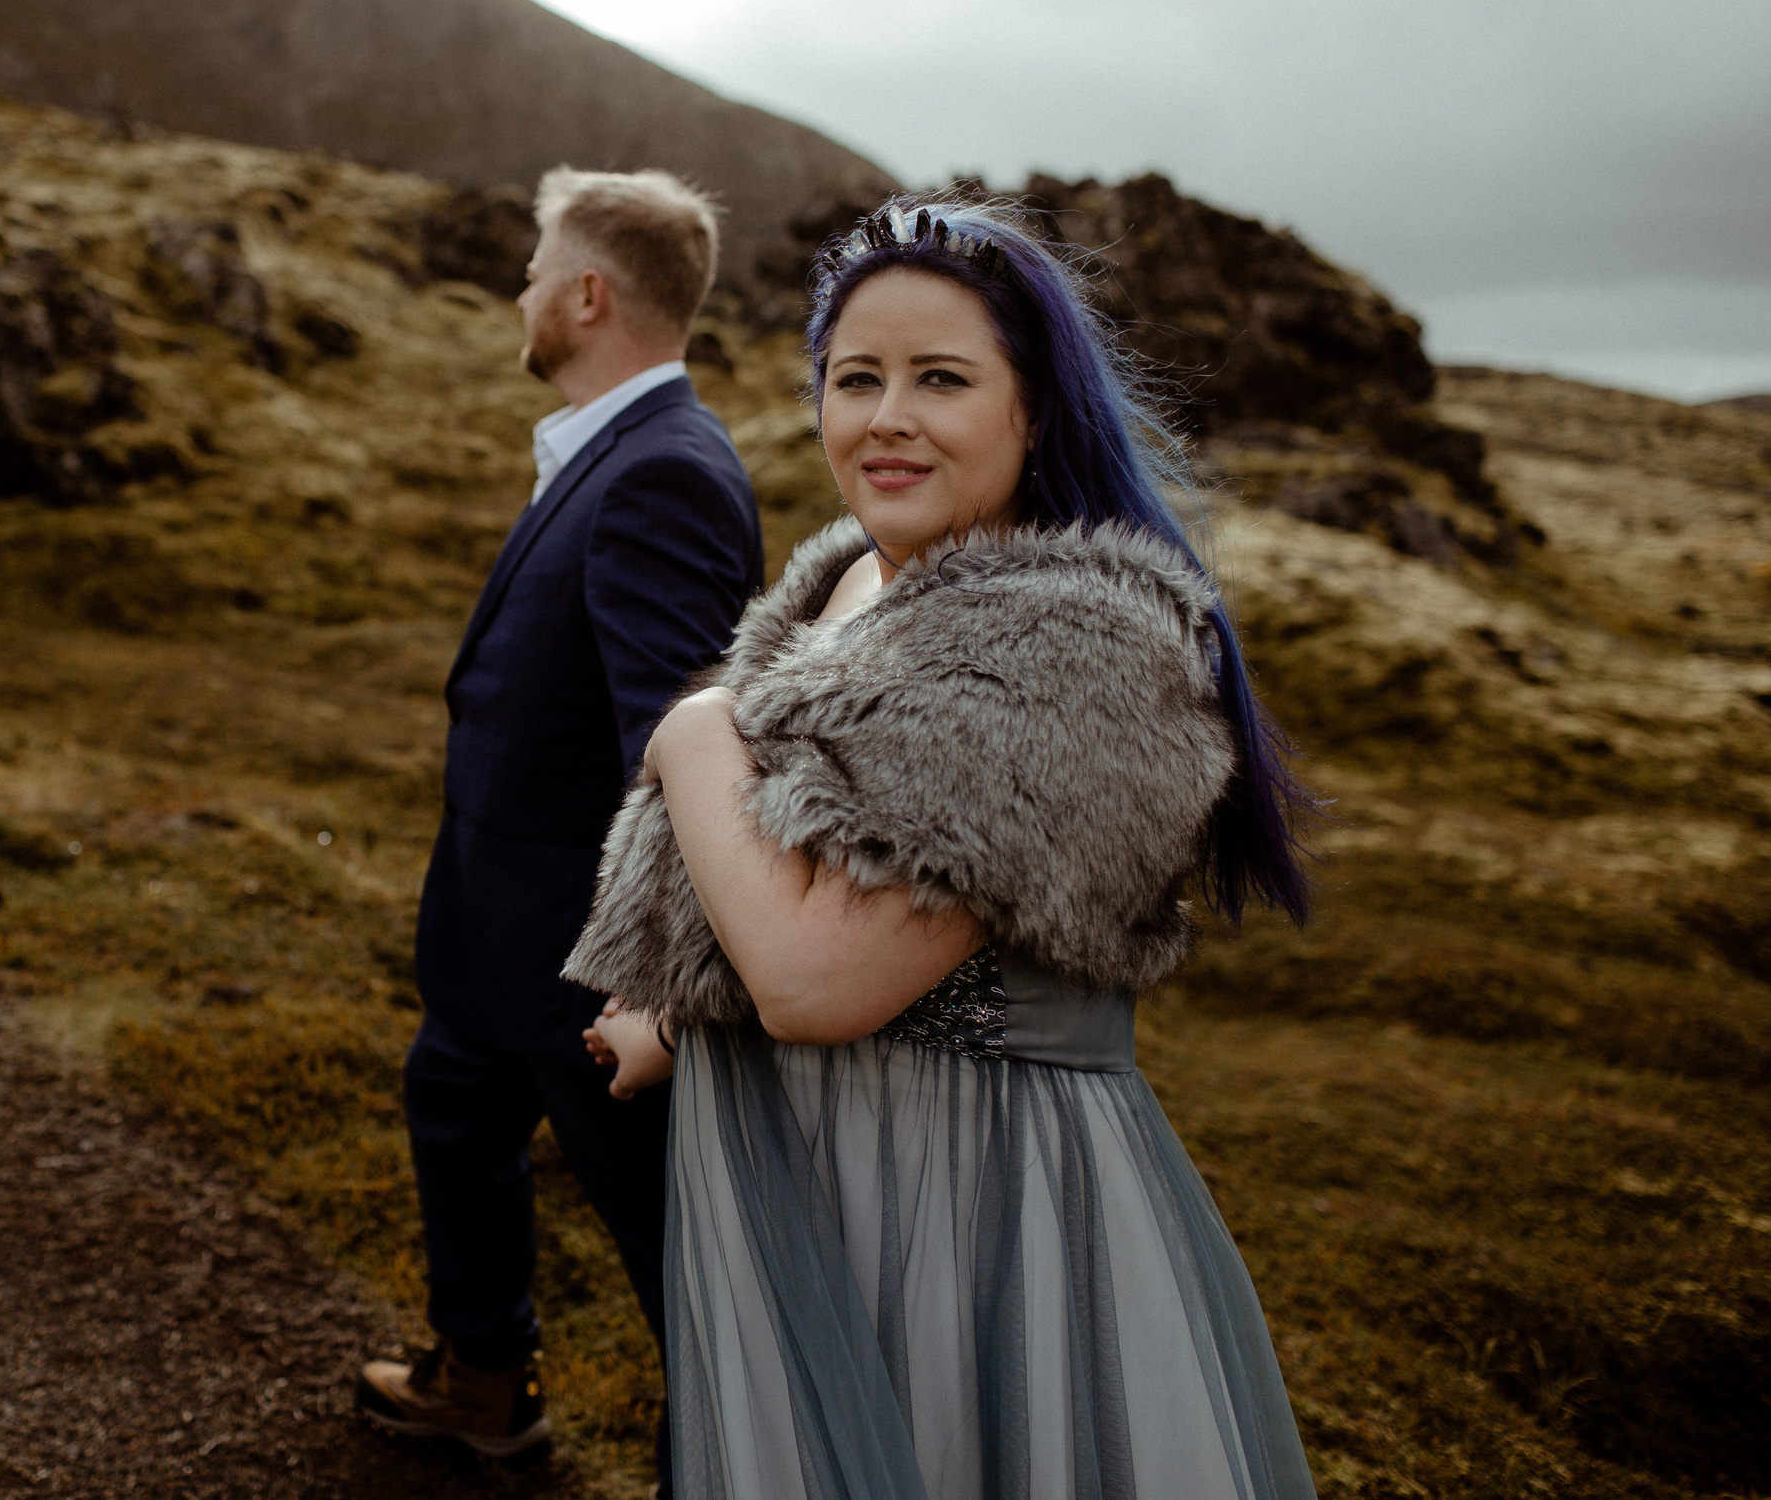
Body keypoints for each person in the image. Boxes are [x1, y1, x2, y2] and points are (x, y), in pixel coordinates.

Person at [566, 193, 1320, 1499]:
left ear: (1035, 409)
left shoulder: (1071, 649)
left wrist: (696, 735)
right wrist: (687, 1020)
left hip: (976, 1218)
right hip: (814, 1178)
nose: (887, 416)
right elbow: (849, 887)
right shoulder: (855, 581)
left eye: (942, 380)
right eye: (855, 378)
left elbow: (819, 980)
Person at [356, 168, 764, 1483]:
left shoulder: (668, 476)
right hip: (493, 933)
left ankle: (737, 1461)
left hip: (589, 963)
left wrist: (657, 982)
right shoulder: (604, 450)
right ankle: (485, 1380)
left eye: (537, 267)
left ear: (587, 294)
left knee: (670, 1236)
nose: (521, 292)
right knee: (450, 1116)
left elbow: (681, 749)